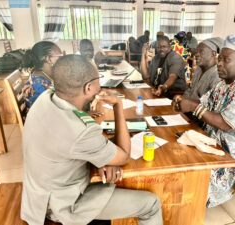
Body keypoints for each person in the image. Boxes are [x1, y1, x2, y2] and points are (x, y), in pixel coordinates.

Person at [21, 55, 163, 225]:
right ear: (88, 87)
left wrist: (101, 158)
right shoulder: (80, 130)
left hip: (38, 194)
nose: (100, 85)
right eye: (98, 79)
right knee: (151, 204)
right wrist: (117, 104)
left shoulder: (45, 98)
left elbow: (70, 145)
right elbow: (124, 156)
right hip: (62, 206)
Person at [175, 35, 235, 207]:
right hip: (214, 142)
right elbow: (203, 105)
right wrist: (181, 104)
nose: (220, 63)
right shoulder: (223, 84)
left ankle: (189, 208)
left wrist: (192, 106)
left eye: (226, 60)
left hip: (234, 156)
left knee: (192, 175)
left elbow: (224, 123)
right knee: (177, 153)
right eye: (220, 59)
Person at [176, 37, 223, 101]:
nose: (196, 54)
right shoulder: (199, 69)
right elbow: (190, 90)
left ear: (213, 53)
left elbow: (211, 104)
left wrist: (188, 105)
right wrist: (181, 100)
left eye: (201, 51)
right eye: (196, 51)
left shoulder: (218, 75)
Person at [21, 41, 63, 114]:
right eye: (60, 57)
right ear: (48, 59)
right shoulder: (39, 86)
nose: (62, 60)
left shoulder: (40, 74)